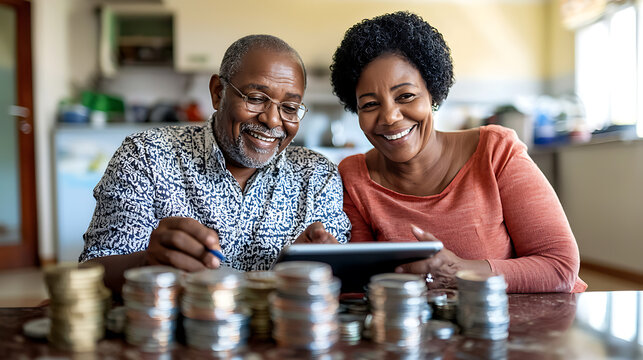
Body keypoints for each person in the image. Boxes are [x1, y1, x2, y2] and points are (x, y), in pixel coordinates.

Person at [330, 11, 586, 293]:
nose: (389, 117)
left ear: (433, 94)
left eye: (406, 96)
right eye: (369, 104)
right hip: (427, 331)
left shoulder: (496, 151)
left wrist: (459, 271)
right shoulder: (354, 175)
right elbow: (361, 287)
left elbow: (559, 267)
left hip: (534, 324)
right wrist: (332, 262)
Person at [80, 35, 351, 293]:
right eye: (256, 98)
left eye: (290, 108)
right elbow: (88, 275)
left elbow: (342, 282)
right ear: (218, 93)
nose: (272, 120)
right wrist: (146, 263)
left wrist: (306, 267)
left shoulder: (316, 176)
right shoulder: (147, 155)